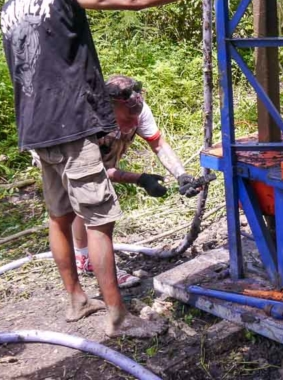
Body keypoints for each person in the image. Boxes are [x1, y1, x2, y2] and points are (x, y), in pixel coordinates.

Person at [0, 0, 224, 337]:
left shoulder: (10, 6)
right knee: (100, 221)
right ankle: (119, 317)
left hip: (36, 127)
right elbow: (132, 0)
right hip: (71, 122)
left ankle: (75, 299)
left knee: (59, 216)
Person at [72, 74, 200, 288]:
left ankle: (84, 255)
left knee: (87, 205)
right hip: (70, 158)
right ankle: (86, 259)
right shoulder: (91, 119)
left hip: (101, 160)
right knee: (85, 203)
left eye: (136, 118)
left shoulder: (138, 110)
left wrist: (181, 174)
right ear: (109, 108)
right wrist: (140, 179)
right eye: (127, 119)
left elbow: (158, 144)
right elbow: (95, 173)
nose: (133, 123)